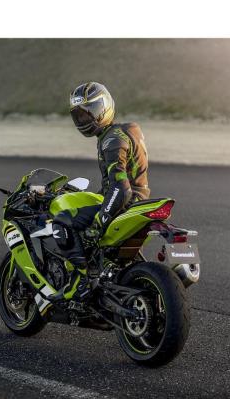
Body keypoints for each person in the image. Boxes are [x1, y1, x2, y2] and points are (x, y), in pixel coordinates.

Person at [47, 82, 151, 302]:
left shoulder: (112, 140)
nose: (83, 120)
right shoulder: (128, 130)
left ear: (104, 108)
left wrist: (100, 221)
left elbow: (121, 188)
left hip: (126, 201)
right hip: (140, 198)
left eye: (89, 112)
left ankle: (81, 281)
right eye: (79, 115)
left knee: (63, 221)